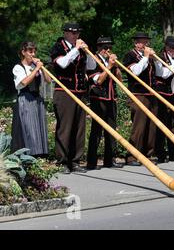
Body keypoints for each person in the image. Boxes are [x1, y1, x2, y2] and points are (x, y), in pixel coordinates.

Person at [49, 22, 88, 174]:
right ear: (65, 33)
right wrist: (76, 49)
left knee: (79, 128)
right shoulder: (58, 47)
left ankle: (76, 160)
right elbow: (63, 64)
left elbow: (90, 66)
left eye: (77, 33)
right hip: (64, 92)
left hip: (79, 92)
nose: (76, 36)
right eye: (73, 33)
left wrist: (86, 51)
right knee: (65, 128)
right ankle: (62, 161)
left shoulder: (80, 49)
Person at [85, 37, 124, 170]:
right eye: (105, 48)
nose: (107, 51)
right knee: (96, 131)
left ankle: (109, 159)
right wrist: (109, 66)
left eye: (109, 48)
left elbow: (119, 80)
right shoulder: (92, 59)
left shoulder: (110, 62)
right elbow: (98, 80)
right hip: (98, 98)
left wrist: (116, 66)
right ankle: (91, 161)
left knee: (111, 130)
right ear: (99, 48)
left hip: (111, 98)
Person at [122, 32, 158, 166]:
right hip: (138, 94)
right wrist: (146, 57)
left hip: (151, 94)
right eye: (143, 42)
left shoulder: (148, 57)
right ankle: (132, 156)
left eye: (147, 42)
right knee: (139, 126)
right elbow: (135, 71)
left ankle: (148, 154)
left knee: (152, 126)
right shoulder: (130, 55)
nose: (145, 45)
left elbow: (160, 73)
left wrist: (154, 59)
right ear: (136, 43)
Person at [11, 41, 51, 157]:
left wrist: (42, 68)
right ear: (23, 52)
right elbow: (23, 82)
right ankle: (30, 154)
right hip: (25, 98)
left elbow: (48, 80)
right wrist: (36, 69)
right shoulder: (18, 67)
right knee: (29, 128)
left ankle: (41, 154)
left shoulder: (36, 66)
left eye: (34, 51)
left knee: (39, 126)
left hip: (37, 98)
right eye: (30, 51)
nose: (33, 54)